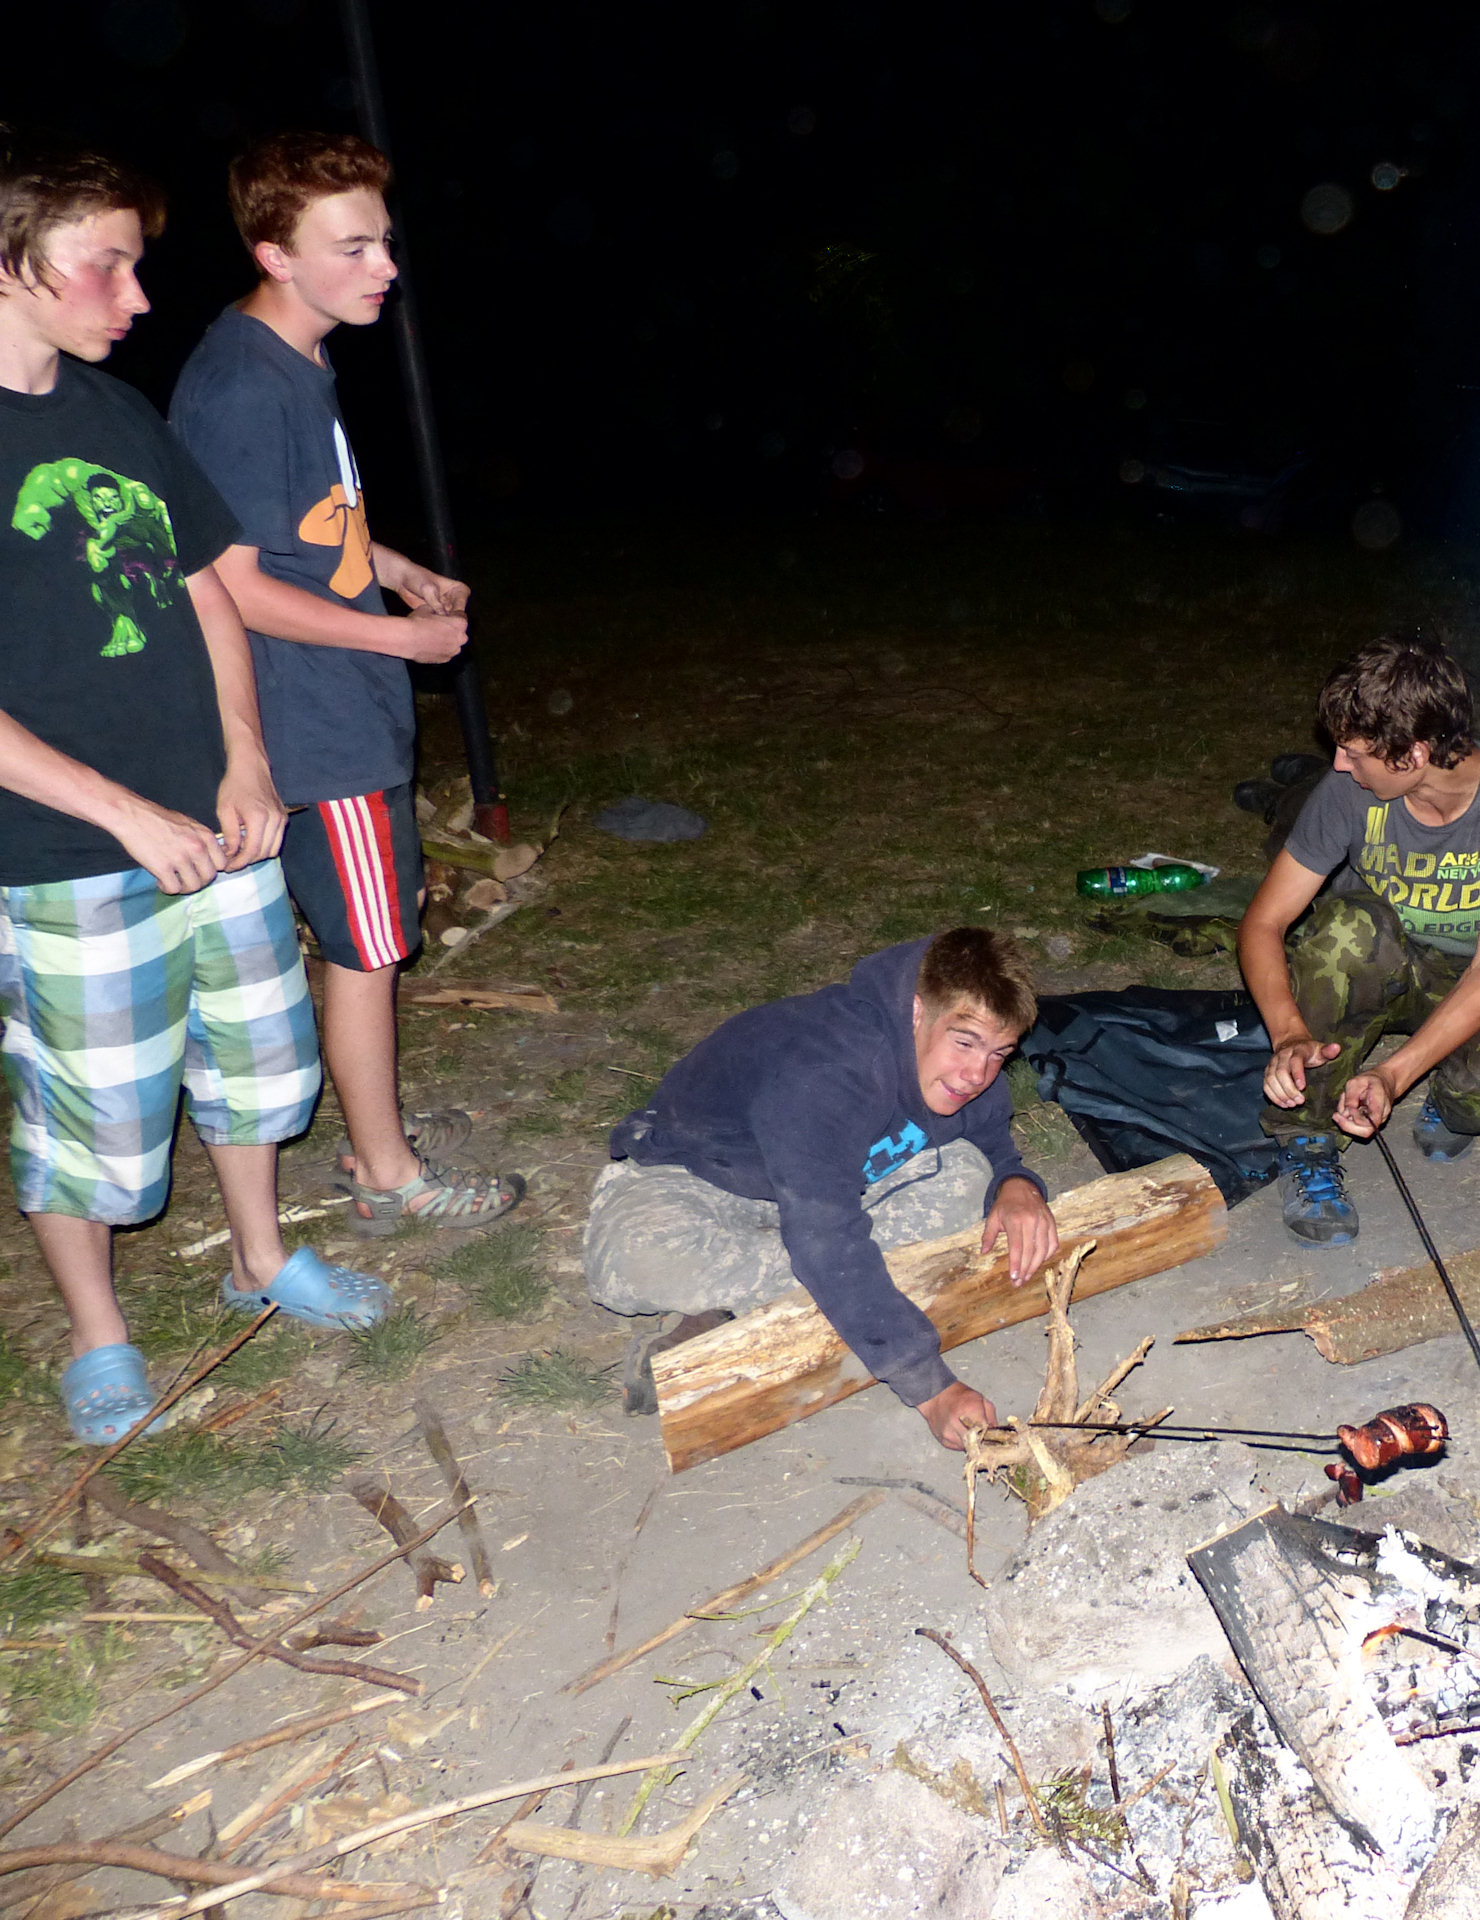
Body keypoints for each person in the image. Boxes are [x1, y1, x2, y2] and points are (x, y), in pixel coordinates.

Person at [0, 131, 392, 1445]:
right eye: (103, 265)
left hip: (214, 823)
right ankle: (99, 1336)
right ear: (7, 262)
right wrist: (121, 813)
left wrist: (245, 762)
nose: (136, 295)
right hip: (64, 850)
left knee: (256, 1065)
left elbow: (209, 592)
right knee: (95, 1115)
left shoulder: (116, 415)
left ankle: (261, 1256)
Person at [169, 132, 522, 1235]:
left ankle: (376, 1131)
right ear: (275, 254)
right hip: (314, 720)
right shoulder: (245, 385)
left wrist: (397, 570)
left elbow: (301, 535)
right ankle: (385, 1169)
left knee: (366, 939)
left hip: (328, 702)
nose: (386, 268)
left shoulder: (295, 358)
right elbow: (232, 586)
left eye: (384, 241)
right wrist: (394, 642)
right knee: (369, 949)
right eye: (353, 247)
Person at [582, 928, 1059, 1447]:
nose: (976, 1074)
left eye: (999, 1053)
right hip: (704, 1177)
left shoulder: (965, 1072)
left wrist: (1015, 1183)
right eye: (964, 1043)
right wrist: (931, 1388)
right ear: (916, 1012)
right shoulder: (828, 1069)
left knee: (968, 1180)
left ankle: (775, 1298)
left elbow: (989, 1135)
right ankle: (832, 1285)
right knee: (635, 1262)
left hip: (832, 1183)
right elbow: (825, 1236)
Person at [1240, 638, 1480, 1248]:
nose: (1339, 765)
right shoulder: (1348, 792)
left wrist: (1394, 1076)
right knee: (1347, 929)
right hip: (1375, 960)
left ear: (1413, 754)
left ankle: (1449, 1089)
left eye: (1353, 752)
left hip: (1468, 977)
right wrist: (1288, 1032)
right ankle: (1307, 1136)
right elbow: (1264, 923)